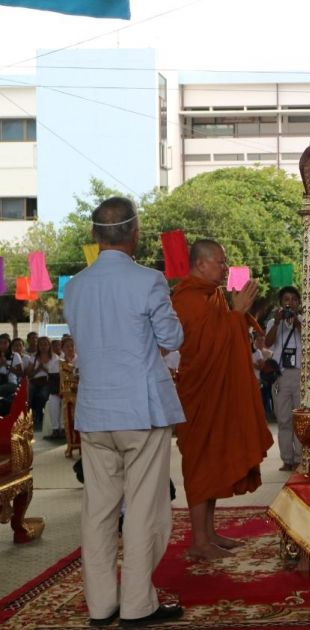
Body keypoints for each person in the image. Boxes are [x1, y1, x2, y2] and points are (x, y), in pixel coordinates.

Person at [64, 196, 185, 627]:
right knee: (143, 508)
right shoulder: (149, 280)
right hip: (140, 410)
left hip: (95, 411)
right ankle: (137, 604)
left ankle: (101, 606)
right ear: (133, 234)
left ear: (95, 236)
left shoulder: (75, 286)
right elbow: (172, 338)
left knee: (97, 510)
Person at [171, 239, 273, 560]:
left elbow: (224, 336)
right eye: (220, 261)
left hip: (217, 390)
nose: (225, 268)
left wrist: (236, 314)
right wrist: (237, 313)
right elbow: (202, 349)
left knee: (214, 462)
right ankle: (198, 541)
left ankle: (210, 532)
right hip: (198, 393)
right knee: (201, 464)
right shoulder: (186, 299)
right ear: (200, 264)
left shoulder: (212, 294)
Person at [264, 286, 303, 472]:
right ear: (281, 303)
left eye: (294, 299)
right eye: (286, 299)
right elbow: (267, 343)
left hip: (300, 374)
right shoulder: (274, 322)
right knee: (284, 419)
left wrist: (297, 324)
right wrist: (278, 323)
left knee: (300, 418)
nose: (290, 303)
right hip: (281, 375)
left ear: (299, 303)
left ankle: (300, 458)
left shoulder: (303, 320)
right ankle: (287, 458)